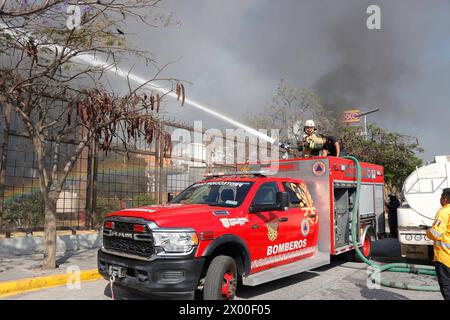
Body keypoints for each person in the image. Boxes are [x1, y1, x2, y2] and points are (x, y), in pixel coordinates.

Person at [426, 188, 450, 300]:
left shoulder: (444, 211)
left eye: (441, 197)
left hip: (445, 257)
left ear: (445, 199)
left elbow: (436, 233)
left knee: (447, 289)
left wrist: (427, 231)